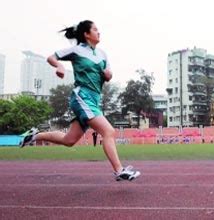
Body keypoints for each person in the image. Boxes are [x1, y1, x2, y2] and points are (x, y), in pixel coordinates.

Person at [20, 20, 140, 181]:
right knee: (108, 131)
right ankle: (119, 170)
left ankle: (34, 136)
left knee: (69, 140)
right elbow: (52, 57)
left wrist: (108, 74)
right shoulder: (77, 50)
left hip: (93, 100)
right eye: (96, 30)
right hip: (81, 96)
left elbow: (109, 73)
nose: (99, 32)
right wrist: (59, 67)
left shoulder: (102, 54)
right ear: (86, 34)